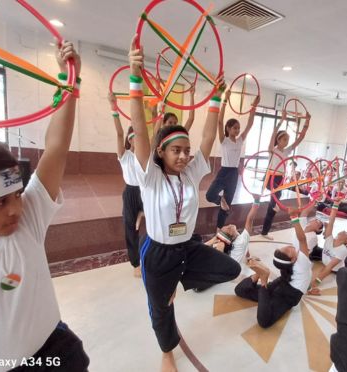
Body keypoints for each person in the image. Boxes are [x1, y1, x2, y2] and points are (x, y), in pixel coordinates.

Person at [0, 42, 89, 371]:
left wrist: (70, 82)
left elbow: (55, 149)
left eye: (15, 194)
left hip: (56, 352)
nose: (15, 208)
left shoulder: (28, 217)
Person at [128, 39, 241, 372]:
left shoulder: (191, 175)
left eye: (185, 150)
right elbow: (139, 130)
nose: (183, 155)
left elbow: (207, 138)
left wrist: (217, 99)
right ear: (161, 152)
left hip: (187, 248)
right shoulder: (150, 177)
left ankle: (180, 280)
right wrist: (135, 79)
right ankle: (166, 350)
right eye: (175, 150)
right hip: (159, 252)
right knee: (160, 308)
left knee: (230, 269)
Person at [234, 208, 312, 328]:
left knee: (242, 293)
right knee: (240, 292)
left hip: (284, 291)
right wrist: (294, 218)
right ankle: (262, 276)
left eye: (287, 248)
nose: (290, 247)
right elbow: (302, 239)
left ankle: (262, 276)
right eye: (288, 249)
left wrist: (295, 218)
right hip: (284, 290)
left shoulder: (298, 261)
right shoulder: (300, 262)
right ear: (292, 259)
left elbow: (301, 238)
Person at [205, 89, 259, 229]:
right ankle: (220, 199)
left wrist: (254, 107)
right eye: (235, 128)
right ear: (228, 129)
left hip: (234, 174)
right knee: (210, 195)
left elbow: (250, 124)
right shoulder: (224, 140)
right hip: (223, 172)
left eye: (238, 128)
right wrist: (225, 100)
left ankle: (219, 229)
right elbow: (219, 122)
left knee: (227, 205)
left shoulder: (240, 140)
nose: (237, 130)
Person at [108, 93, 144, 277]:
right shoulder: (124, 156)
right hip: (130, 193)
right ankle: (135, 262)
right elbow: (119, 132)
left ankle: (142, 213)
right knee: (130, 227)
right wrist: (114, 109)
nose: (140, 139)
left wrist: (159, 113)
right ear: (131, 140)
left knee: (151, 220)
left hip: (145, 192)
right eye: (136, 136)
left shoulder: (144, 156)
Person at [260, 111, 310, 240]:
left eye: (287, 139)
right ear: (278, 140)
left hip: (280, 178)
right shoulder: (272, 150)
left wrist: (307, 122)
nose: (287, 142)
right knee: (277, 197)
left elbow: (300, 139)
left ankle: (265, 231)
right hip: (271, 177)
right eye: (284, 139)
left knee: (272, 207)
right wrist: (281, 120)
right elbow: (273, 134)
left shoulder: (287, 151)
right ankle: (275, 206)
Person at [308, 198, 347, 295]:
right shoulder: (329, 238)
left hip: (338, 268)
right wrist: (335, 205)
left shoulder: (342, 250)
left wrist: (317, 281)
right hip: (328, 261)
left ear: (346, 241)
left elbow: (329, 267)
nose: (344, 231)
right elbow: (331, 221)